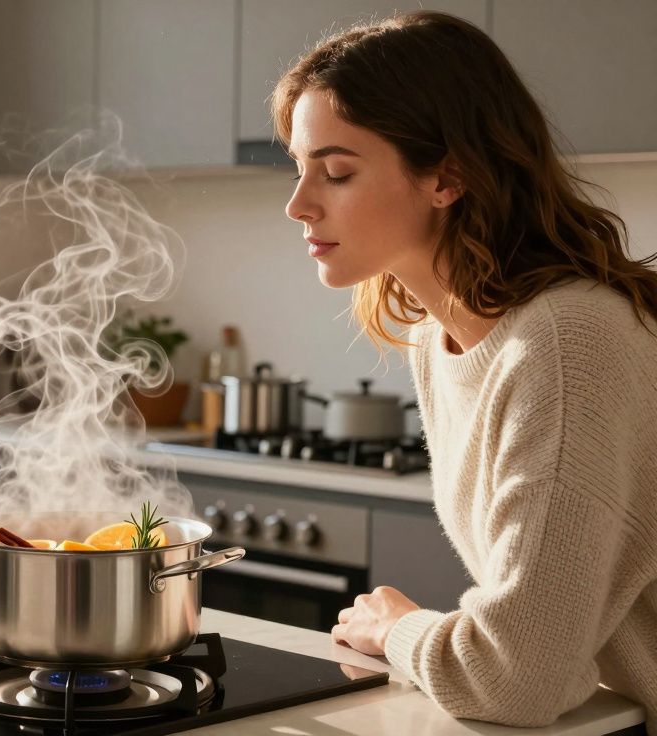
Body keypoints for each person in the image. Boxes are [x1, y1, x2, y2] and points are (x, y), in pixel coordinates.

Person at [276, 11, 655, 732]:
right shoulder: (438, 336)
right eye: (299, 169)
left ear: (447, 176)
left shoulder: (566, 344)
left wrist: (397, 630)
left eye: (337, 171)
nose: (299, 204)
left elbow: (517, 679)